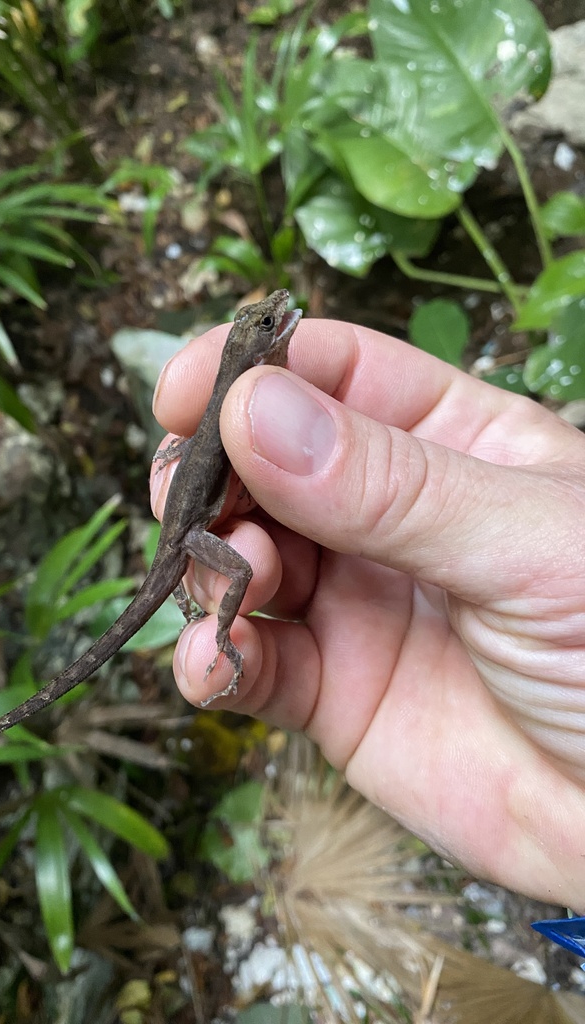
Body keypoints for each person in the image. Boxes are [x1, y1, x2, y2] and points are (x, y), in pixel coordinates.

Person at [150, 313, 585, 914]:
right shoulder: (240, 392)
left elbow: (204, 432)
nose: (284, 320)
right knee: (244, 572)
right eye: (271, 323)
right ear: (254, 351)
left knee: (243, 561)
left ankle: (193, 605)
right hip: (190, 532)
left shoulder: (232, 394)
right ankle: (219, 628)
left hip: (190, 523)